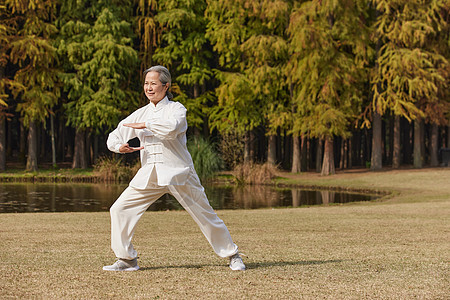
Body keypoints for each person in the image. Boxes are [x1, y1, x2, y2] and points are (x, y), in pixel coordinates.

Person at [102, 65, 246, 271]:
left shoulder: (177, 110)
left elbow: (170, 129)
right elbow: (116, 134)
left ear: (166, 85)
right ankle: (126, 259)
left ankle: (232, 254)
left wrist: (146, 125)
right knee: (119, 209)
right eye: (146, 83)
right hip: (149, 175)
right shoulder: (140, 113)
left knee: (205, 215)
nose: (149, 88)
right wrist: (119, 146)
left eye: (153, 83)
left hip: (179, 173)